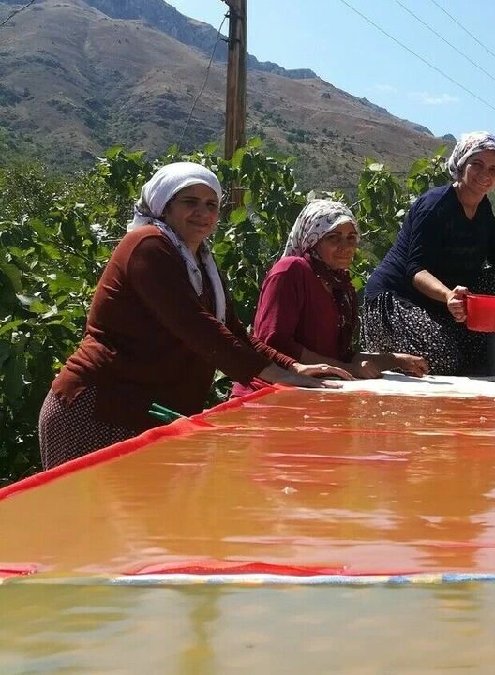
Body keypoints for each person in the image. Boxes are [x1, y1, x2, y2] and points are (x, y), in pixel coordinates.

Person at [38, 162, 350, 470]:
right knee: (92, 518)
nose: (202, 213)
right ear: (165, 206)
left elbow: (234, 331)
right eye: (190, 202)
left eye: (211, 204)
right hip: (99, 408)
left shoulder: (199, 261)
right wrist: (278, 375)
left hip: (146, 410)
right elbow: (199, 329)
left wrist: (292, 366)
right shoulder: (148, 245)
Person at [361, 132, 495, 375]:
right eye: (477, 164)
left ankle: (468, 337)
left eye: (494, 169)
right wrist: (447, 295)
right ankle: (386, 357)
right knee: (443, 359)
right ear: (461, 164)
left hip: (440, 304)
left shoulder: (483, 209)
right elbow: (416, 271)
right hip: (396, 299)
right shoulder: (435, 206)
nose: (485, 174)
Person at [231, 200, 429, 398]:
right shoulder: (291, 271)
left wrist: (396, 360)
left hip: (313, 391)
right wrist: (347, 369)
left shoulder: (340, 285)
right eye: (333, 238)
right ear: (312, 240)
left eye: (351, 238)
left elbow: (337, 353)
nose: (346, 247)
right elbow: (275, 343)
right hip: (269, 393)